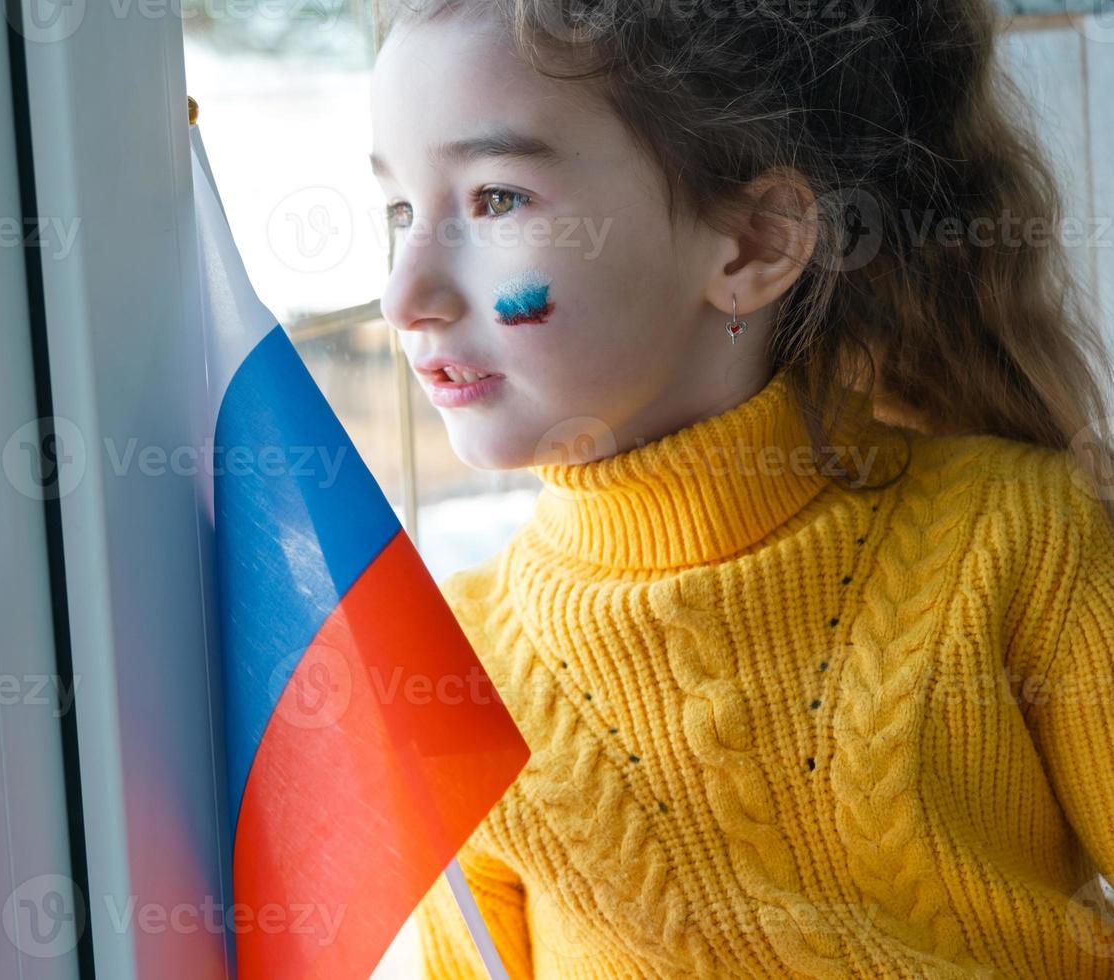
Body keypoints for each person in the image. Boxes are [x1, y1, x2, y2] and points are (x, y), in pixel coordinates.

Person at [366, 0, 1114, 974]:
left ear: (755, 244)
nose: (403, 295)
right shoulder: (452, 668)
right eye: (397, 210)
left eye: (496, 198)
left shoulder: (1025, 540)